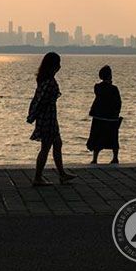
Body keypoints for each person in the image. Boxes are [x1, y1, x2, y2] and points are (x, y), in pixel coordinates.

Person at [27, 52, 76, 186]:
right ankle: (38, 177)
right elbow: (40, 100)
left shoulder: (45, 79)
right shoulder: (48, 82)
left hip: (50, 118)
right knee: (46, 147)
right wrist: (33, 115)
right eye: (58, 64)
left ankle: (62, 174)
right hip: (47, 119)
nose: (59, 66)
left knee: (57, 144)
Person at [86, 65, 122, 164]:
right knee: (113, 138)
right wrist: (117, 113)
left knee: (97, 137)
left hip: (99, 116)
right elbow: (118, 102)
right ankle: (115, 157)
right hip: (111, 117)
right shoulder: (114, 89)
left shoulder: (97, 87)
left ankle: (95, 159)